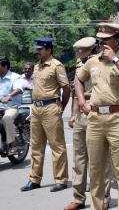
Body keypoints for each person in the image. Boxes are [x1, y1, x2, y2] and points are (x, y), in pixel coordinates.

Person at [75, 23, 119, 210]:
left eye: (106, 40)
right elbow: (79, 79)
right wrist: (81, 101)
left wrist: (115, 60)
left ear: (117, 40)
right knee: (95, 170)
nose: (101, 43)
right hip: (95, 119)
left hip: (118, 118)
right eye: (100, 40)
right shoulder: (92, 61)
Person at [64, 37, 113, 210]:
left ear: (93, 50)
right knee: (79, 159)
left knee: (101, 159)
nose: (78, 53)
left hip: (97, 111)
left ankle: (103, 197)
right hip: (81, 115)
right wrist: (72, 115)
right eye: (78, 51)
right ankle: (78, 198)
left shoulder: (102, 63)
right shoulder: (80, 67)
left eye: (82, 50)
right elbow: (75, 93)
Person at [21, 37, 71, 192]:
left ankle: (61, 180)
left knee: (57, 145)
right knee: (36, 146)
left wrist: (61, 106)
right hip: (36, 109)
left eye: (40, 49)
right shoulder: (36, 67)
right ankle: (34, 179)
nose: (37, 51)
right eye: (37, 49)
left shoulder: (57, 65)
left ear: (49, 49)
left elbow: (66, 88)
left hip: (51, 107)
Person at [0, 57, 21, 155]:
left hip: (11, 107)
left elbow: (18, 89)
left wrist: (9, 95)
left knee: (7, 118)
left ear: (5, 67)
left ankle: (13, 144)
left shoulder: (15, 77)